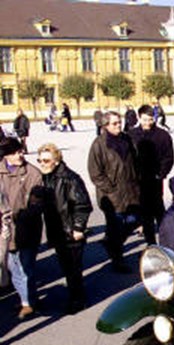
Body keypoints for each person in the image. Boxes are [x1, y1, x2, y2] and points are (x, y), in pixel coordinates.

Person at [37, 143, 92, 313]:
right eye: (40, 160)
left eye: (46, 160)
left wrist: (78, 228)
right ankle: (74, 294)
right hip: (56, 231)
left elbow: (82, 204)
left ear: (56, 160)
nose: (42, 164)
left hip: (70, 232)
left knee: (73, 269)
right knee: (67, 267)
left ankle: (78, 300)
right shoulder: (45, 177)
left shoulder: (69, 178)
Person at [87, 110, 141, 272]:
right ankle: (117, 260)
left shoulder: (126, 139)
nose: (119, 125)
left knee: (134, 220)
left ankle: (110, 242)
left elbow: (134, 162)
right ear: (105, 126)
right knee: (116, 228)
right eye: (115, 123)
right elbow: (95, 173)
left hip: (131, 192)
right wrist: (111, 189)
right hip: (112, 197)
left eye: (119, 122)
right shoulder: (99, 144)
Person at [0, 137, 44, 318]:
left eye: (21, 151)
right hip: (5, 230)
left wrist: (18, 214)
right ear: (6, 155)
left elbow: (37, 203)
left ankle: (29, 302)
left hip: (26, 228)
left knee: (27, 268)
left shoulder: (32, 173)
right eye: (16, 152)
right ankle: (24, 298)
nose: (21, 154)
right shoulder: (1, 172)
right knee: (13, 267)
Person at [129, 104, 174, 245]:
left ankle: (166, 244)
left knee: (159, 213)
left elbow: (169, 157)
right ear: (139, 118)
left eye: (150, 119)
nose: (148, 123)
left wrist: (160, 174)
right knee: (145, 217)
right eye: (144, 119)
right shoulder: (131, 135)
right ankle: (151, 245)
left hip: (155, 181)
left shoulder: (162, 135)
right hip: (138, 182)